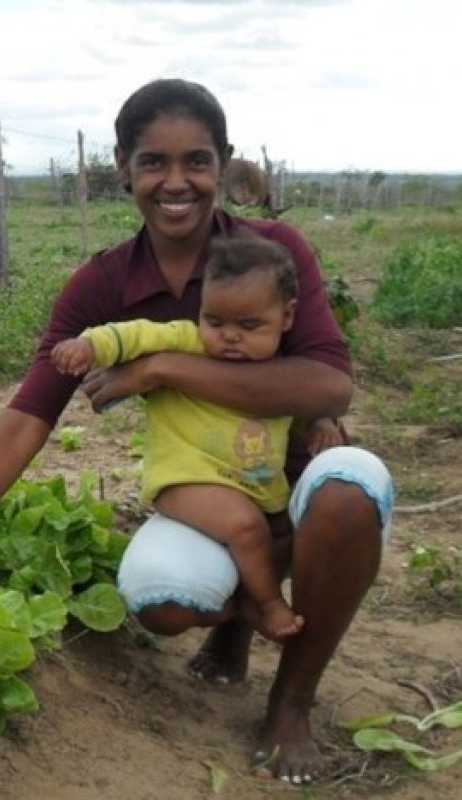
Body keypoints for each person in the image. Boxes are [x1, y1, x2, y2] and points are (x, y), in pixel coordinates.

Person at [0, 77, 394, 785]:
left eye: (196, 161)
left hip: (297, 480)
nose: (175, 182)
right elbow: (31, 413)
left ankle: (291, 702)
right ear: (123, 167)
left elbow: (327, 384)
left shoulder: (273, 252)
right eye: (154, 162)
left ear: (224, 163)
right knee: (162, 600)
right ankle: (242, 618)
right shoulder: (102, 285)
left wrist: (161, 370)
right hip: (212, 492)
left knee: (349, 491)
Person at [50, 231, 340, 640]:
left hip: (253, 486)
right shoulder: (188, 343)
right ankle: (267, 604)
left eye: (249, 325)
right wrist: (90, 345)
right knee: (246, 528)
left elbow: (300, 411)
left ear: (287, 317)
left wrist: (322, 423)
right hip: (186, 480)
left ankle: (237, 613)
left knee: (279, 534)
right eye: (214, 321)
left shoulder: (282, 371)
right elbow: (137, 334)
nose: (229, 336)